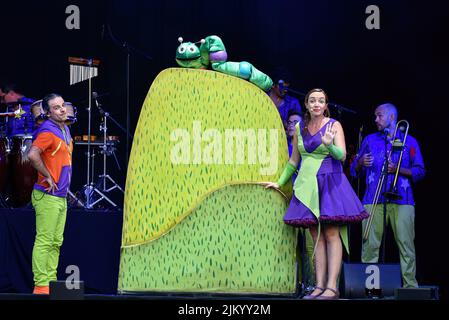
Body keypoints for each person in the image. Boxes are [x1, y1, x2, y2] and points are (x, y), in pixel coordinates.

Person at [265, 88, 368, 299]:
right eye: (312, 101)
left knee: (331, 234)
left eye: (321, 101)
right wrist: (279, 182)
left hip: (330, 182)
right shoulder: (299, 128)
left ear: (326, 105)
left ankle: (332, 287)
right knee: (316, 235)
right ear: (306, 104)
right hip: (307, 186)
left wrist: (330, 146)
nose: (316, 104)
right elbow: (294, 162)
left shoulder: (333, 125)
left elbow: (341, 156)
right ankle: (319, 286)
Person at [350, 103, 425, 288]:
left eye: (379, 116)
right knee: (370, 246)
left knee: (406, 246)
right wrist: (360, 163)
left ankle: (410, 287)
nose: (375, 120)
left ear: (392, 118)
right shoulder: (369, 139)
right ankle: (369, 288)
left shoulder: (410, 141)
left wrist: (398, 170)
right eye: (375, 116)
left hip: (403, 199)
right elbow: (353, 170)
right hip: (372, 199)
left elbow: (420, 171)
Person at [27, 93, 73, 294]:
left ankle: (50, 282)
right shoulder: (47, 130)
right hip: (47, 196)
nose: (62, 109)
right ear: (47, 112)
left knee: (56, 242)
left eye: (63, 105)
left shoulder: (65, 129)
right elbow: (32, 154)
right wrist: (47, 175)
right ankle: (41, 285)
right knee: (45, 241)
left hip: (60, 196)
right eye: (56, 107)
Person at [268, 68, 302, 132]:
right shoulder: (262, 97)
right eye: (282, 87)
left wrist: (286, 124)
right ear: (273, 85)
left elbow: (298, 127)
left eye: (287, 87)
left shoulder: (293, 103)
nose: (285, 90)